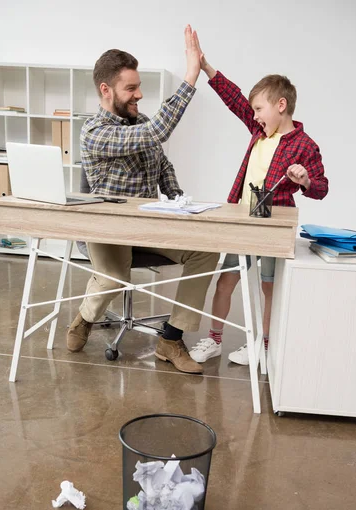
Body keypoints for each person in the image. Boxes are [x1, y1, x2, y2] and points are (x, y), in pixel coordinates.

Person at [67, 26, 219, 374]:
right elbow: (158, 133)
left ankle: (170, 338)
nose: (139, 94)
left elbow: (162, 164)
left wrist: (181, 202)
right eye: (130, 88)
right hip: (109, 230)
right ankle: (84, 317)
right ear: (106, 90)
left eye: (138, 87)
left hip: (149, 225)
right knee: (113, 276)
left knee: (207, 249)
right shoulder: (95, 132)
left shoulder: (143, 122)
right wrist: (191, 74)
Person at [189, 35, 328, 365]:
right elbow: (234, 98)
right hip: (243, 219)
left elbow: (321, 186)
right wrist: (206, 66)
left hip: (273, 226)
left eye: (259, 109)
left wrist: (305, 180)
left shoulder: (304, 145)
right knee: (226, 280)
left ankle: (263, 347)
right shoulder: (259, 131)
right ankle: (214, 340)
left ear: (281, 106)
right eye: (253, 111)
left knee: (269, 288)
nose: (254, 115)